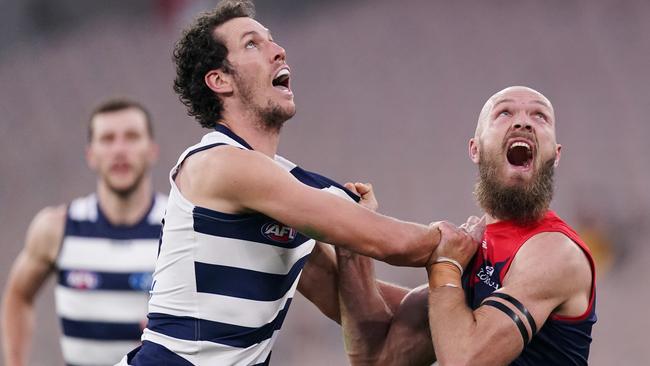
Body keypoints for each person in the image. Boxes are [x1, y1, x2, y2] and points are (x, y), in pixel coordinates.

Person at [120, 1, 445, 365]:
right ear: (220, 80)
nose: (279, 50)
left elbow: (367, 313)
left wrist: (473, 293)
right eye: (252, 44)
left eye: (272, 40)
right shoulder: (221, 164)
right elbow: (396, 245)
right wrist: (469, 245)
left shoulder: (279, 190)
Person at [335, 86, 597, 366]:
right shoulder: (474, 251)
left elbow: (464, 361)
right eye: (505, 112)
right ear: (475, 149)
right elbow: (378, 360)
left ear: (556, 155)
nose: (523, 122)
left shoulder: (555, 252)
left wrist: (446, 265)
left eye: (540, 116)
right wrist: (349, 249)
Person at [1, 98, 167, 366]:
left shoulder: (178, 226)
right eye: (108, 139)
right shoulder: (57, 228)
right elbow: (18, 295)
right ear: (91, 154)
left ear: (152, 150)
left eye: (132, 137)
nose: (120, 150)